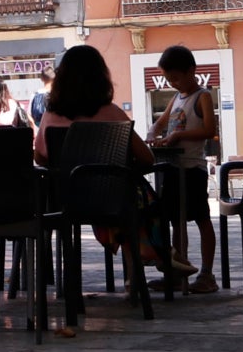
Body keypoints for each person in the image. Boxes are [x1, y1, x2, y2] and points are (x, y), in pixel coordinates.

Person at [35, 45, 191, 275]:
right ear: (101, 77)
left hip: (65, 200)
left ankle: (154, 257)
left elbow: (40, 157)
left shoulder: (50, 116)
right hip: (111, 199)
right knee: (139, 197)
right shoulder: (113, 113)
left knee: (131, 196)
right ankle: (155, 257)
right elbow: (147, 159)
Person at [149, 46, 221, 293]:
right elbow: (160, 122)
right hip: (172, 168)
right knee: (176, 222)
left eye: (177, 78)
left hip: (193, 168)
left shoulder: (202, 96)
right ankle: (179, 271)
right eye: (169, 80)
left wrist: (178, 134)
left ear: (192, 71)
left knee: (201, 219)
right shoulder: (176, 98)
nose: (173, 84)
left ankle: (207, 274)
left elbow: (209, 130)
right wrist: (153, 134)